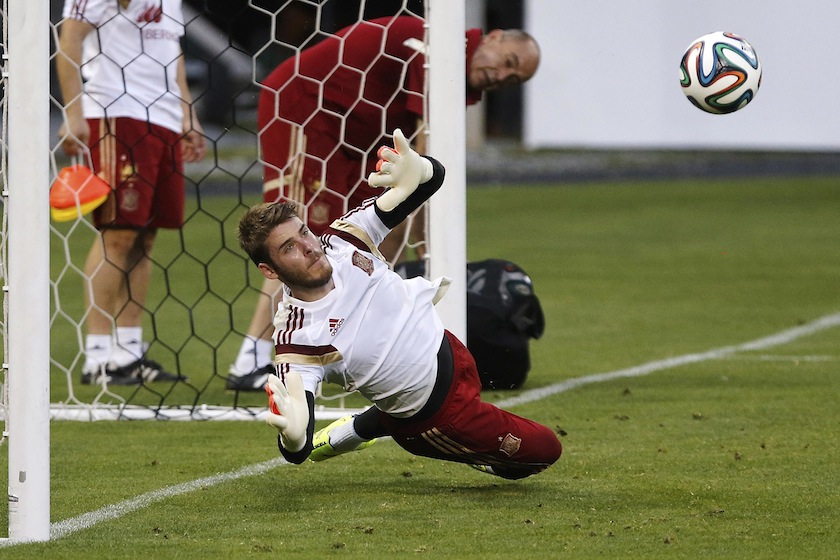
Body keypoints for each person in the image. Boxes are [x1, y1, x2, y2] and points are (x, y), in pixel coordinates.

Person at [228, 14, 541, 391]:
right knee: (298, 239)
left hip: (357, 137)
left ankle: (357, 344)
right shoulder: (432, 45)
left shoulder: (455, 79)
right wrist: (431, 244)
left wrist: (422, 231)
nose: (502, 77)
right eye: (508, 62)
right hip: (304, 108)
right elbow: (428, 152)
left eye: (514, 80)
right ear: (491, 37)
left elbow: (419, 169)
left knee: (377, 230)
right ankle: (253, 357)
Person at [237, 129, 562, 480]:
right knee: (543, 450)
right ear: (269, 271)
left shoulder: (344, 239)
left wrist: (420, 169)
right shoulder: (298, 341)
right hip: (438, 418)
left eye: (303, 231)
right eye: (289, 247)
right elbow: (295, 450)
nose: (309, 245)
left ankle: (362, 426)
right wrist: (295, 436)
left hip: (454, 351)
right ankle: (394, 430)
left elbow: (428, 183)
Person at [56, 0, 206, 385]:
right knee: (118, 232)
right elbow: (69, 39)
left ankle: (129, 351)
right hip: (114, 110)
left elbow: (170, 50)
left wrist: (187, 114)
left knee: (147, 235)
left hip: (164, 117)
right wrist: (73, 113)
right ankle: (98, 356)